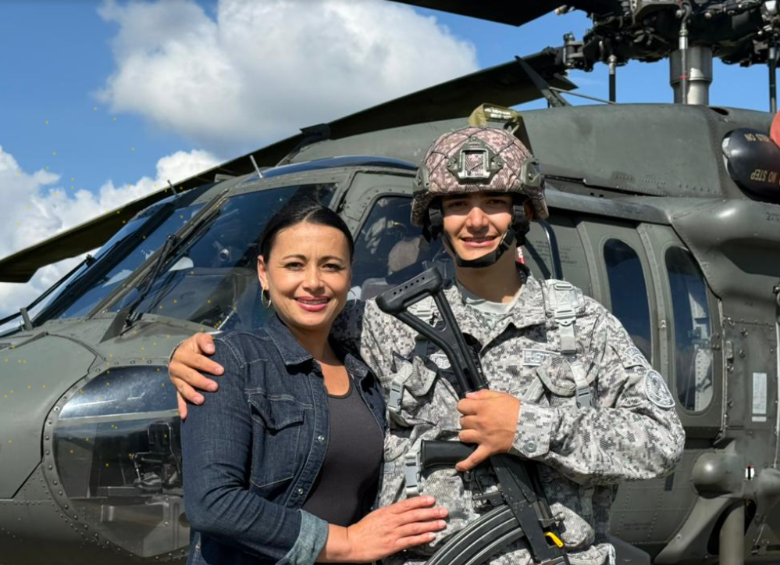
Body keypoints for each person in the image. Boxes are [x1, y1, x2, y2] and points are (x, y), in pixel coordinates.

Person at [171, 126, 685, 565]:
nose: (476, 220)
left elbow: (662, 439)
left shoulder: (580, 324)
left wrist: (529, 426)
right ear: (436, 217)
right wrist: (189, 355)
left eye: (495, 204)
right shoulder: (386, 318)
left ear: (522, 214)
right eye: (458, 204)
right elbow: (295, 322)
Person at [180, 200, 448, 565]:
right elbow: (212, 504)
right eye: (294, 265)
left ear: (349, 275)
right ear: (263, 272)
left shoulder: (367, 374)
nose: (313, 283)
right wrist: (348, 542)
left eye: (331, 267)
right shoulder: (230, 360)